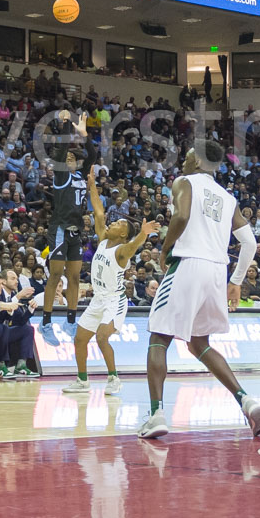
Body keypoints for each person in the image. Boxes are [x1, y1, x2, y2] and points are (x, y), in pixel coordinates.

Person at [138, 141, 260, 440]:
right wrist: (235, 281)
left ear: (196, 160)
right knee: (199, 344)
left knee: (159, 337)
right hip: (216, 271)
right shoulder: (227, 196)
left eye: (185, 155)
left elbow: (180, 217)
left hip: (189, 263)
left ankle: (156, 414)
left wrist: (166, 248)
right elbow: (250, 243)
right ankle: (246, 402)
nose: (182, 160)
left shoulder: (184, 182)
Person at [64, 174, 156, 395]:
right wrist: (92, 185)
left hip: (115, 300)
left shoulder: (122, 251)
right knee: (79, 339)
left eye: (118, 223)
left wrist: (143, 235)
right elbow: (98, 212)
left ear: (123, 233)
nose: (112, 223)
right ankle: (82, 380)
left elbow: (133, 246)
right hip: (98, 299)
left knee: (102, 337)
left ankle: (114, 378)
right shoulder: (104, 240)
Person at [39, 111, 95, 346]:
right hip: (59, 228)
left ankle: (70, 321)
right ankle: (45, 322)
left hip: (75, 231)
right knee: (55, 275)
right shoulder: (61, 177)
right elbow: (61, 151)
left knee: (74, 277)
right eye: (68, 158)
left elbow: (92, 155)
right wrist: (65, 126)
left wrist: (84, 135)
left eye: (74, 158)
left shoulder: (82, 176)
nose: (71, 160)